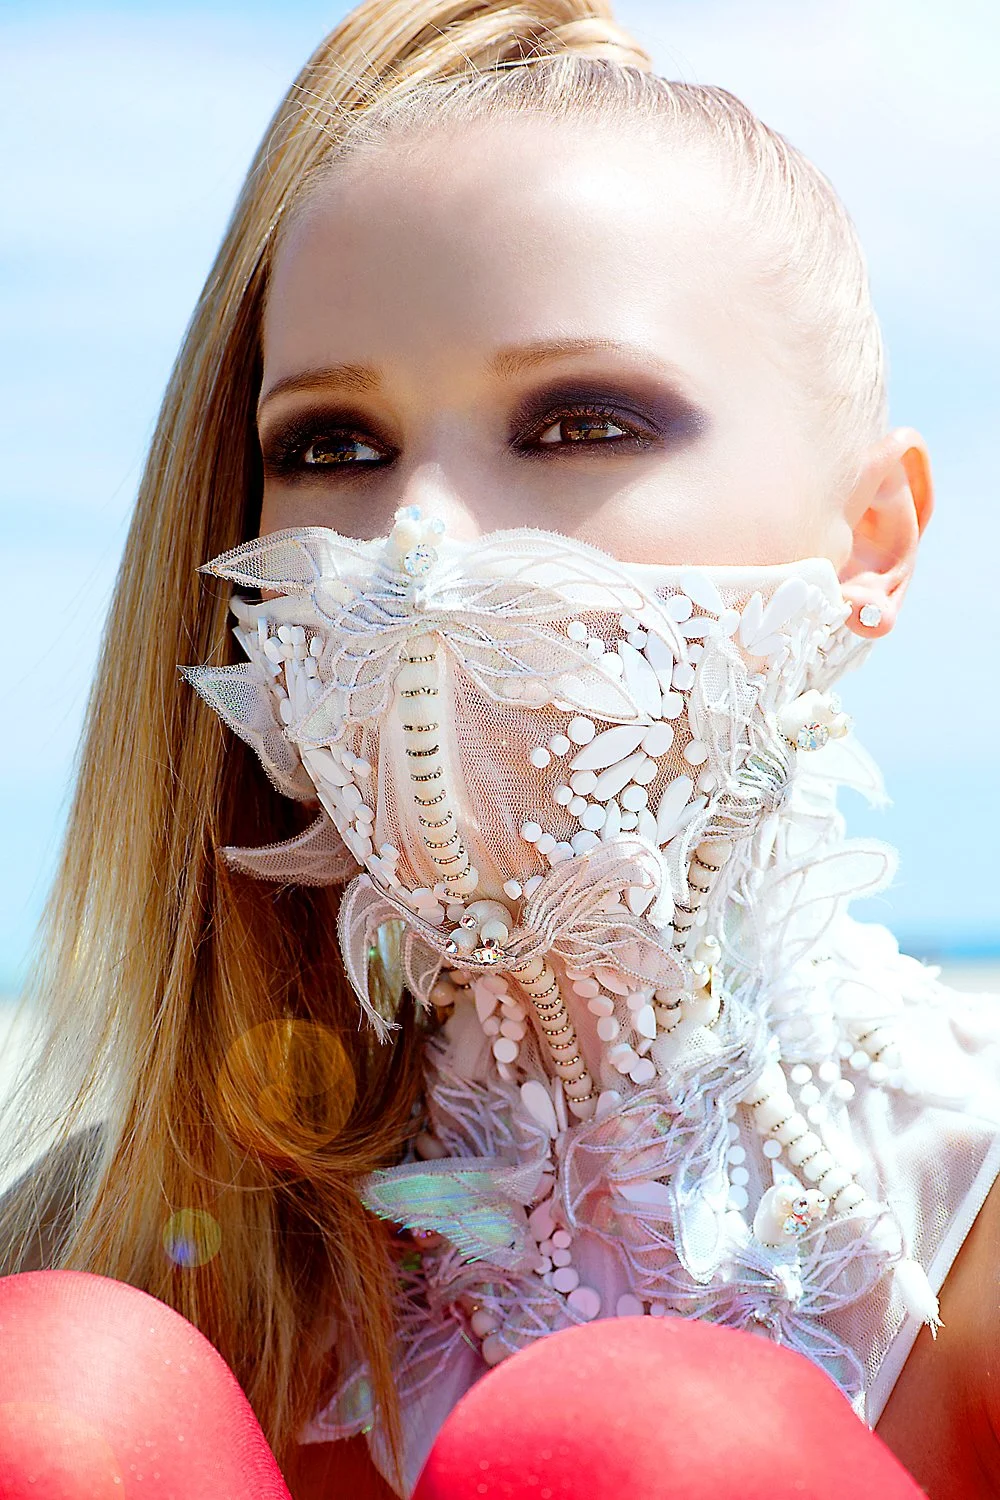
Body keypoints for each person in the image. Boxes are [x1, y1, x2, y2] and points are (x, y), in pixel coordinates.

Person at [1, 2, 998, 1497]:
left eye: (580, 422)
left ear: (868, 543)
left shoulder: (965, 1232)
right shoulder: (133, 1250)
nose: (421, 542)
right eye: (331, 446)